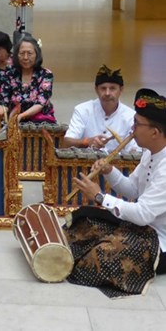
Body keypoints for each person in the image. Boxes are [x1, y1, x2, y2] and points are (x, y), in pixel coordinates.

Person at [69, 89, 166, 294]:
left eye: (138, 124)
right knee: (83, 223)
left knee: (101, 256)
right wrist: (109, 171)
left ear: (155, 132)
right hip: (142, 229)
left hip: (160, 243)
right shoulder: (150, 153)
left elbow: (142, 214)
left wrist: (100, 196)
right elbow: (131, 190)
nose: (132, 128)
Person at [63, 65, 138, 152]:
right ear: (96, 90)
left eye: (112, 88)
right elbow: (66, 143)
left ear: (121, 90)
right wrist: (87, 141)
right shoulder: (83, 110)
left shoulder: (131, 116)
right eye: (103, 88)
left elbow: (134, 151)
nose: (107, 93)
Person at [1, 34, 56, 123]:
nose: (25, 57)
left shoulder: (46, 75)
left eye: (29, 53)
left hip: (41, 121)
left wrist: (21, 116)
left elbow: (40, 103)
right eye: (22, 53)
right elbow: (4, 101)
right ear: (16, 55)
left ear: (37, 55)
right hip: (14, 119)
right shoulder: (9, 73)